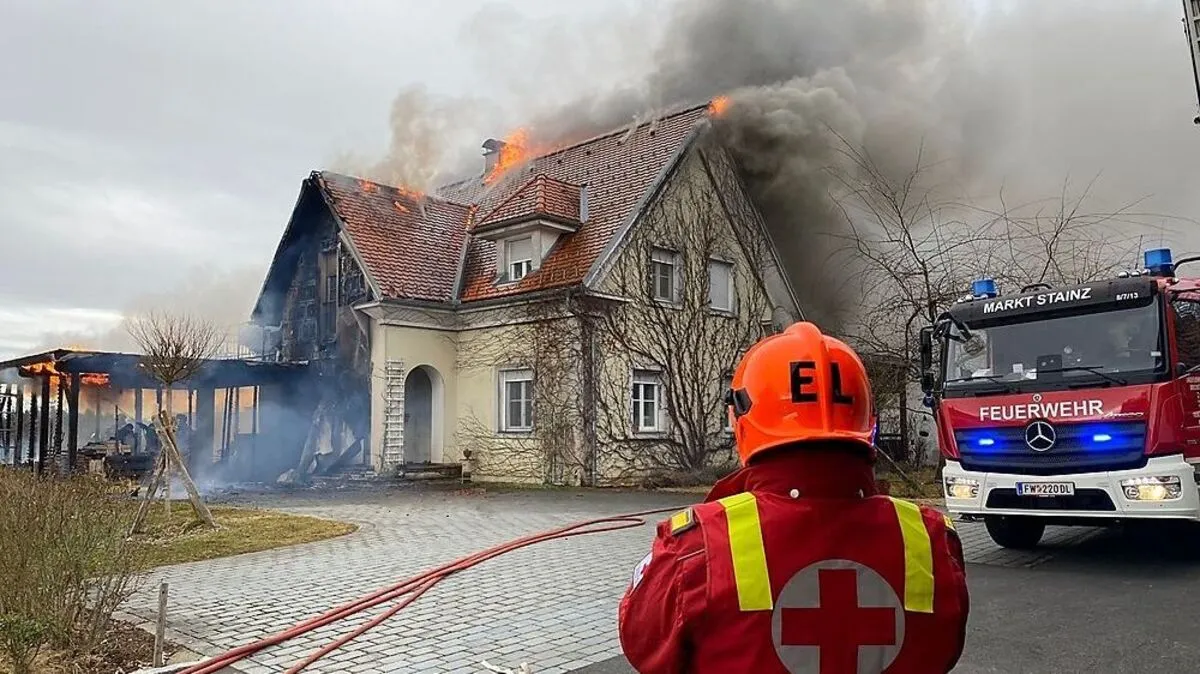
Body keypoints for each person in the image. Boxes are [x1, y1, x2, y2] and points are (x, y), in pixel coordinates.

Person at [618, 321, 970, 674]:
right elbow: (946, 649)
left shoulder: (697, 547)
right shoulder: (931, 539)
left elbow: (643, 644)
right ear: (868, 419)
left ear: (741, 419)